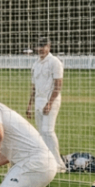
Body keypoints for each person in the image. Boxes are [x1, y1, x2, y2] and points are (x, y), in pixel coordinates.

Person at [28, 37, 65, 171]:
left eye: (43, 46)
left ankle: (59, 165)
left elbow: (58, 85)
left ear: (49, 47)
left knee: (48, 131)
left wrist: (49, 103)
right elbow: (33, 86)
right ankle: (46, 162)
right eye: (39, 47)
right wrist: (29, 105)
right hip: (38, 101)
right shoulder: (36, 64)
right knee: (41, 133)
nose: (41, 49)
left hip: (51, 100)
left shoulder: (55, 62)